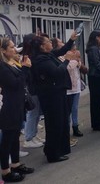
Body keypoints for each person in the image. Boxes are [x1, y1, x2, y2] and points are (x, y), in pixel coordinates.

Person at [30, 32, 78, 163]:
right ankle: (53, 153)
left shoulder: (48, 55)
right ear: (41, 46)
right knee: (54, 124)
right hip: (51, 96)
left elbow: (61, 50)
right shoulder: (40, 60)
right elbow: (57, 72)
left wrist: (70, 40)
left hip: (58, 93)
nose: (51, 43)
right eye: (48, 42)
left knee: (62, 121)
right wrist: (67, 60)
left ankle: (60, 149)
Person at [0, 38, 34, 182]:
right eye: (12, 47)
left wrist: (25, 67)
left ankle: (15, 164)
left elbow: (24, 81)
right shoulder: (2, 67)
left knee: (15, 136)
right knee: (7, 139)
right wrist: (25, 68)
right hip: (9, 107)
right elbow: (15, 84)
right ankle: (5, 171)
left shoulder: (12, 63)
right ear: (3, 51)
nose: (15, 50)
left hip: (18, 105)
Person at [21, 34, 45, 149]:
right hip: (32, 88)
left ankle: (33, 135)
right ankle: (28, 137)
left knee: (36, 114)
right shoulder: (27, 56)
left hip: (36, 87)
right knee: (33, 113)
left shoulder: (33, 54)